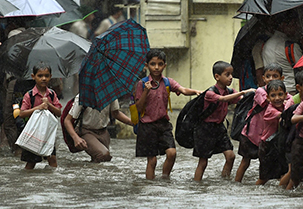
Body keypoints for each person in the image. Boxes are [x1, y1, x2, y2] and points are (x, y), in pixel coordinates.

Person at [134, 49, 203, 180]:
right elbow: (139, 107)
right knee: (152, 161)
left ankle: (165, 179)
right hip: (147, 125)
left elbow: (182, 89)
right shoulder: (142, 84)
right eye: (153, 64)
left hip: (163, 124)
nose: (156, 67)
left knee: (171, 153)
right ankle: (150, 184)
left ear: (164, 65)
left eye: (160, 64)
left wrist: (195, 91)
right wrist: (146, 92)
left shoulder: (167, 82)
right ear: (146, 65)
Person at [193, 61, 255, 182]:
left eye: (231, 74)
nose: (231, 77)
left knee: (230, 156)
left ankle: (224, 181)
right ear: (217, 77)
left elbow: (240, 99)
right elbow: (222, 99)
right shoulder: (210, 93)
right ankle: (197, 184)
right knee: (203, 161)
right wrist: (243, 92)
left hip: (219, 128)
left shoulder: (229, 91)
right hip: (205, 129)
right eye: (227, 74)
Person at [234, 64, 284, 183]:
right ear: (263, 78)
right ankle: (236, 183)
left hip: (267, 136)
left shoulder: (281, 92)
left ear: (282, 78)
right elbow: (268, 103)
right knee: (245, 161)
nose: (271, 78)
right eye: (268, 76)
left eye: (275, 76)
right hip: (251, 134)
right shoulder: (260, 91)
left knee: (270, 162)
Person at [18, 63, 62, 170]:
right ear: (33, 77)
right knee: (31, 163)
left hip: (48, 133)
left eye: (46, 76)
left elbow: (59, 113)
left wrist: (49, 105)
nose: (44, 78)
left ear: (50, 77)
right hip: (33, 133)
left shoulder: (51, 94)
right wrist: (38, 107)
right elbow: (22, 113)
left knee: (52, 159)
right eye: (40, 76)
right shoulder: (29, 95)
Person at [63, 95, 133, 162]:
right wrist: (76, 138)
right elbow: (67, 120)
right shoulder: (83, 96)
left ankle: (88, 172)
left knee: (102, 161)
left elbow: (116, 113)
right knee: (103, 155)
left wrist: (133, 123)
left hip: (103, 131)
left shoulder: (110, 95)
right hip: (86, 131)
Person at [256, 80, 294, 185]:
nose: (277, 98)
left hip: (279, 144)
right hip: (268, 146)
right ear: (267, 98)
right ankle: (255, 193)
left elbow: (291, 98)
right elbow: (283, 115)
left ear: (285, 95)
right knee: (264, 177)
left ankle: (280, 195)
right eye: (273, 95)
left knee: (282, 173)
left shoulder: (284, 104)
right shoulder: (270, 110)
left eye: (280, 94)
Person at [261, 12, 303, 93]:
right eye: (294, 24)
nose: (297, 27)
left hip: (271, 91)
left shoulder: (266, 45)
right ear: (284, 25)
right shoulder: (291, 46)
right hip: (290, 90)